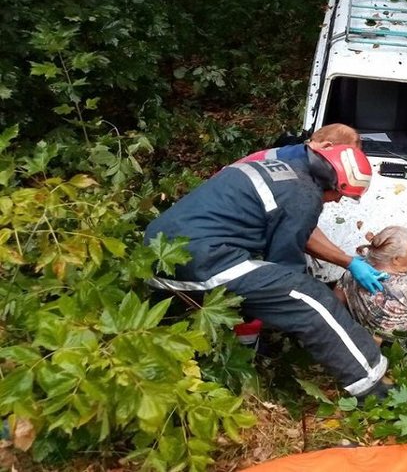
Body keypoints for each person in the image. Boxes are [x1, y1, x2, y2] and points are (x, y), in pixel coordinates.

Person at [144, 145, 390, 399]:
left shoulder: (279, 169)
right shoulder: (304, 193)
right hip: (203, 258)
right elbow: (285, 264)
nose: (337, 200)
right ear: (330, 180)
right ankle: (370, 382)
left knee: (255, 286)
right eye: (340, 194)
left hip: (159, 254)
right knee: (309, 296)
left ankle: (245, 361)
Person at [236, 123, 384, 294]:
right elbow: (296, 236)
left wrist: (347, 259)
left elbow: (306, 227)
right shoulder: (291, 170)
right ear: (328, 146)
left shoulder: (300, 158)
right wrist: (346, 261)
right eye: (345, 158)